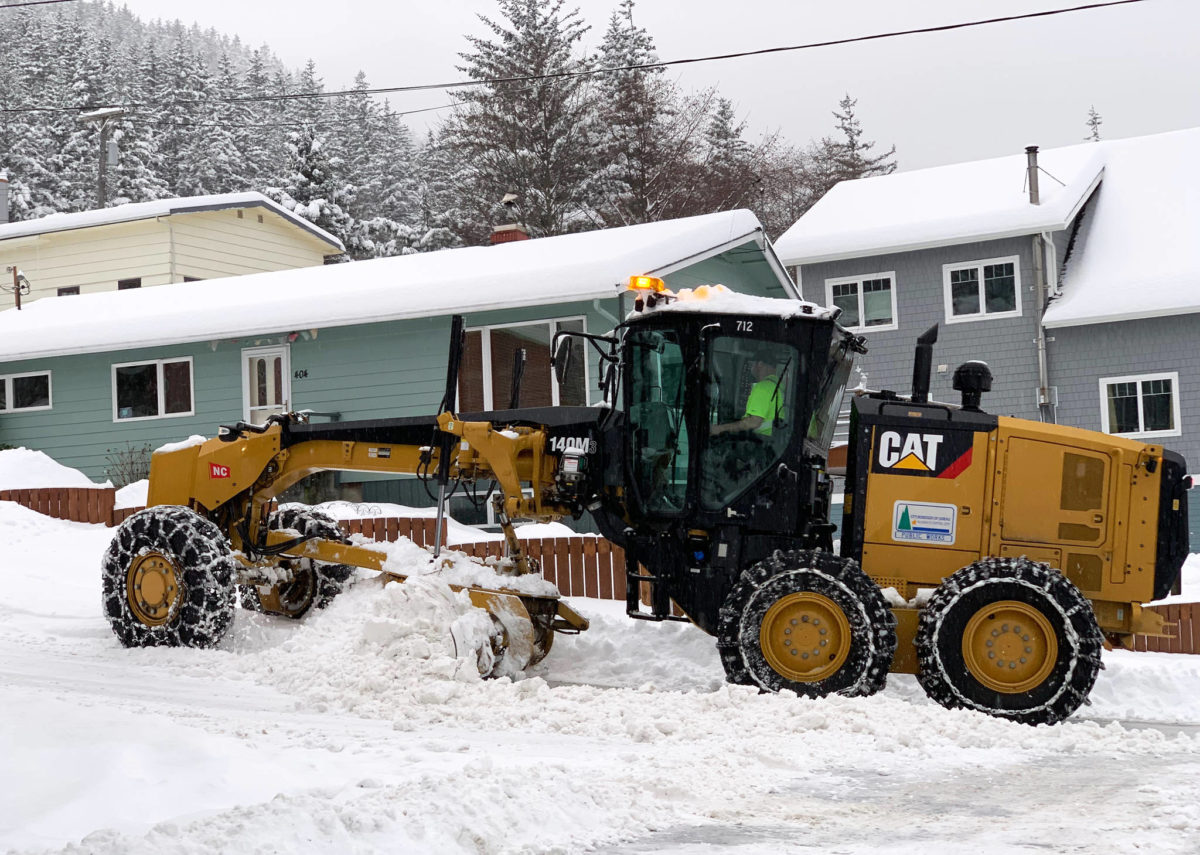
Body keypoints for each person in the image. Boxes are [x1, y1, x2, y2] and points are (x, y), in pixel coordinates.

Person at [711, 350, 782, 437]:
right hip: (772, 441)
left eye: (752, 365)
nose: (751, 368)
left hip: (760, 443)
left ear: (759, 364)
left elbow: (753, 423)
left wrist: (720, 429)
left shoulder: (763, 388)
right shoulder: (778, 386)